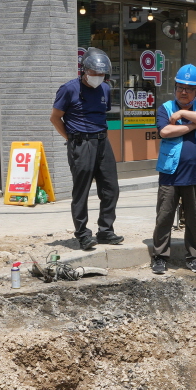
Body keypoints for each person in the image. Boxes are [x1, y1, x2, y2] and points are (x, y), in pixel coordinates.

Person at [50, 48, 123, 251]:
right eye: (94, 74)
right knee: (81, 190)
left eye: (102, 75)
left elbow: (102, 112)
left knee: (111, 188)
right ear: (84, 71)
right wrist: (72, 139)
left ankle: (105, 230)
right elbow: (55, 118)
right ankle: (83, 234)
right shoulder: (69, 89)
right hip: (81, 143)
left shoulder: (105, 89)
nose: (98, 78)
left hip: (102, 141)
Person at [151, 64, 196, 276]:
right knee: (164, 216)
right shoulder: (165, 108)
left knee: (194, 218)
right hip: (170, 173)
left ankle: (194, 257)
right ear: (175, 87)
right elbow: (165, 131)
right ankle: (160, 257)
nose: (183, 92)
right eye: (180, 87)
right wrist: (191, 125)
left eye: (189, 88)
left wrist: (181, 114)